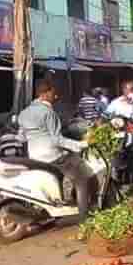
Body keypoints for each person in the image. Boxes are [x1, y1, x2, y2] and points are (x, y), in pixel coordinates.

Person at [18, 81, 93, 222]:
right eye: (53, 93)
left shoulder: (24, 113)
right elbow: (57, 140)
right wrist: (80, 144)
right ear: (45, 94)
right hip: (52, 155)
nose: (56, 96)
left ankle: (61, 201)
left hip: (34, 156)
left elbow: (22, 137)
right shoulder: (48, 112)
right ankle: (85, 218)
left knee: (62, 170)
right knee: (82, 178)